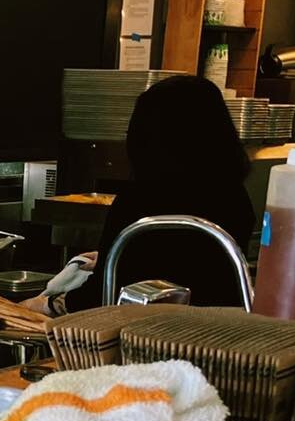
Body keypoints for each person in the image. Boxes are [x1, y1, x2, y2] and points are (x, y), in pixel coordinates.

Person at [41, 74, 255, 315]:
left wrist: (47, 304)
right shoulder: (235, 198)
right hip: (223, 334)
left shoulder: (139, 203)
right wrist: (108, 260)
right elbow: (186, 266)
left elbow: (99, 298)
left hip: (151, 339)